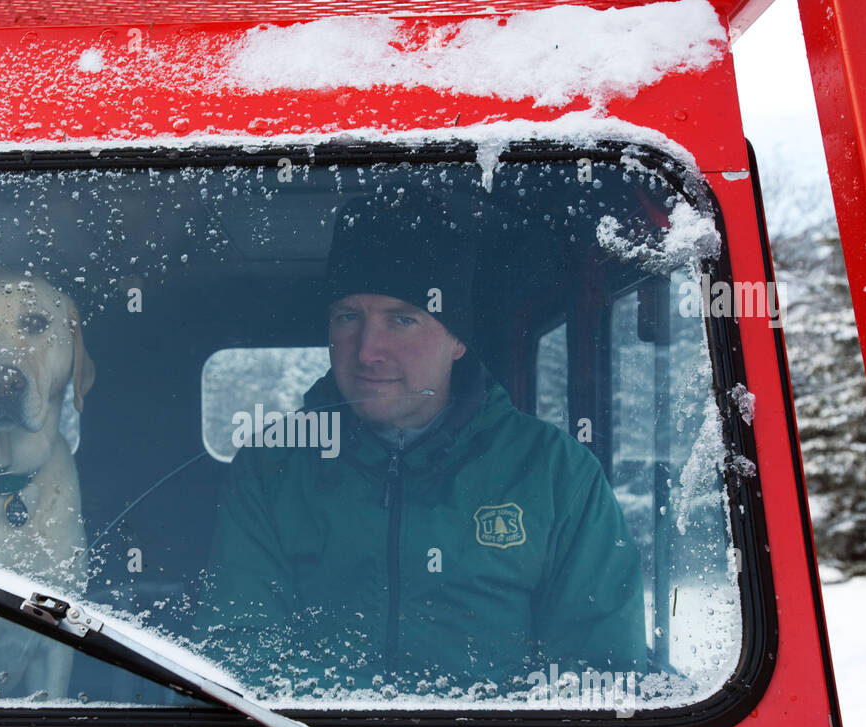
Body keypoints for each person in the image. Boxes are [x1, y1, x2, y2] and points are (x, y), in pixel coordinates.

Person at [200, 192, 647, 701]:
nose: (368, 350)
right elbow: (236, 657)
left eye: (402, 318)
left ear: (457, 339)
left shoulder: (556, 472)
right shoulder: (272, 466)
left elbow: (600, 674)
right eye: (348, 317)